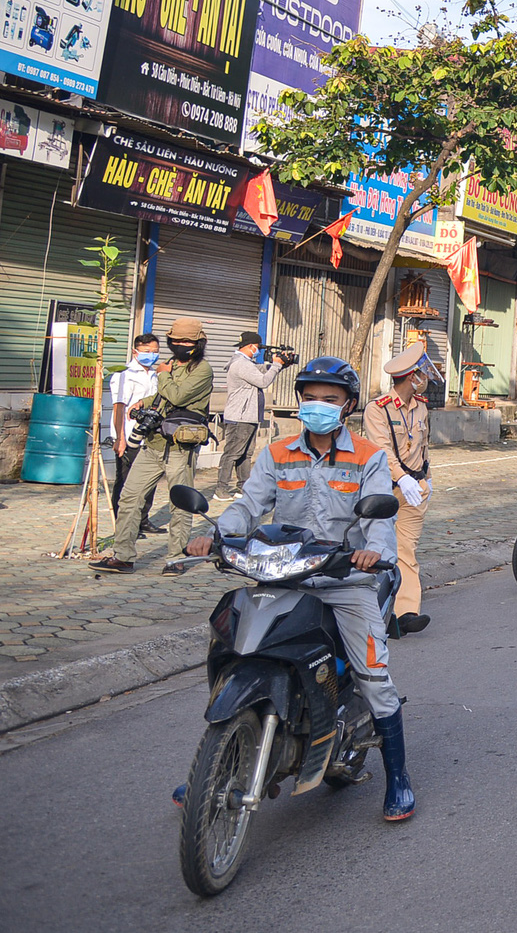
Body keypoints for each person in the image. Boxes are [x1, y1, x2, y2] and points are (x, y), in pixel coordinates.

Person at [186, 357, 415, 822]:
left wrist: (372, 552)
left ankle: (399, 779)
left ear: (347, 405)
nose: (318, 407)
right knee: (236, 650)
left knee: (373, 678)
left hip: (343, 578)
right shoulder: (277, 451)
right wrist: (214, 533)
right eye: (310, 398)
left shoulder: (368, 456)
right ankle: (215, 764)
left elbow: (379, 518)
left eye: (329, 400)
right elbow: (249, 504)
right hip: (279, 572)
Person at [94, 317, 213, 574]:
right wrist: (144, 402)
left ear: (199, 343)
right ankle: (123, 555)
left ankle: (176, 558)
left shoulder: (202, 369)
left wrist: (163, 376)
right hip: (153, 445)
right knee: (129, 498)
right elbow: (161, 397)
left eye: (188, 342)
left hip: (180, 448)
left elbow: (178, 396)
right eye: (177, 341)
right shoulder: (169, 365)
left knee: (179, 505)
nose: (182, 345)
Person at [363, 342, 441, 632]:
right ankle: (373, 608)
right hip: (385, 487)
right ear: (411, 377)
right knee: (379, 547)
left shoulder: (422, 407)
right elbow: (381, 451)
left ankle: (405, 613)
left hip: (415, 487)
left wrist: (427, 477)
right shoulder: (378, 409)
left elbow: (425, 446)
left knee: (406, 548)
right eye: (422, 374)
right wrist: (402, 478)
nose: (426, 379)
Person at [217, 331, 293, 497]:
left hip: (248, 415)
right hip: (240, 416)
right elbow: (263, 381)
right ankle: (221, 489)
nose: (258, 351)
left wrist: (280, 364)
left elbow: (261, 370)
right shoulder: (241, 364)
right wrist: (277, 365)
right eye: (257, 348)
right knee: (232, 453)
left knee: (246, 454)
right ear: (251, 346)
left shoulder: (245, 362)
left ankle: (243, 487)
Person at [107, 332, 160, 526]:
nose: (151, 355)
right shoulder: (124, 374)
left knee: (149, 481)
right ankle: (122, 523)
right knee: (127, 482)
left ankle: (143, 520)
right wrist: (120, 438)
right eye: (147, 351)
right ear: (135, 351)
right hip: (129, 435)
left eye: (155, 352)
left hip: (150, 435)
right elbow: (118, 407)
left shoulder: (154, 374)